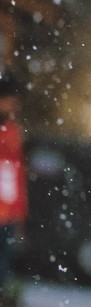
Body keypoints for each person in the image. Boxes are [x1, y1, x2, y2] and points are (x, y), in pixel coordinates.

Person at [0, 74, 28, 303]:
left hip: (6, 213)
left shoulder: (12, 130)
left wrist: (18, 212)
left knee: (5, 265)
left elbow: (16, 174)